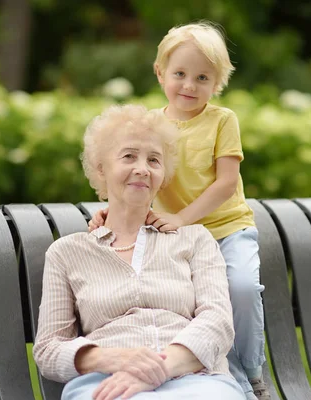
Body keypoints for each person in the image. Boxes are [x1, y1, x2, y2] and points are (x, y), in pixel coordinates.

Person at [89, 22, 269, 400]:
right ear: (160, 73)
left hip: (225, 230)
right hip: (180, 241)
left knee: (241, 288)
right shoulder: (153, 126)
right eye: (180, 74)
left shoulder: (222, 121)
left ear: (217, 81)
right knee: (185, 304)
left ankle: (251, 373)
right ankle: (215, 375)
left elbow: (224, 184)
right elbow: (138, 180)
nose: (189, 85)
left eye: (202, 77)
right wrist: (110, 212)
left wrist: (180, 218)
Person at [33, 104, 245, 400]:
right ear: (101, 168)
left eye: (154, 160)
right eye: (129, 156)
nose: (143, 169)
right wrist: (116, 359)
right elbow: (49, 348)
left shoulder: (195, 240)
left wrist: (158, 368)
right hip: (109, 383)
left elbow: (218, 323)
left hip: (197, 379)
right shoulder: (67, 252)